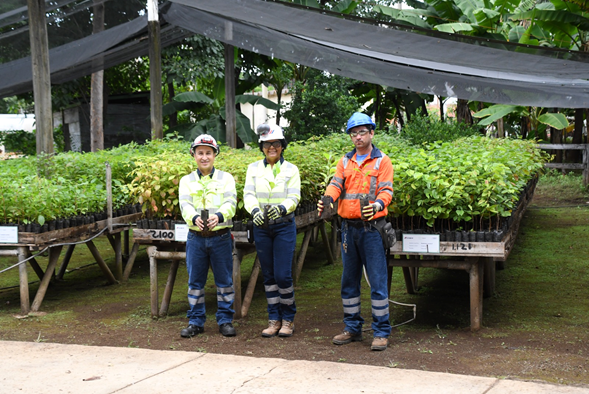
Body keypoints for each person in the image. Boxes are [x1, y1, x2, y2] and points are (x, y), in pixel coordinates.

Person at [317, 112, 394, 351]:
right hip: (349, 230)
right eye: (353, 133)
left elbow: (386, 191)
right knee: (349, 281)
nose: (357, 137)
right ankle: (352, 328)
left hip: (371, 230)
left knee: (378, 281)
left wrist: (379, 205)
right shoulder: (345, 161)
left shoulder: (383, 161)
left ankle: (381, 332)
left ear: (371, 132)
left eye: (362, 132)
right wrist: (328, 198)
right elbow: (336, 183)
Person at [244, 124, 301, 338]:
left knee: (282, 275)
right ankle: (274, 319)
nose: (272, 148)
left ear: (282, 146)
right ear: (262, 147)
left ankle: (288, 319)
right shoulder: (254, 169)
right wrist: (254, 210)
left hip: (284, 226)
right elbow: (248, 195)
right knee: (268, 275)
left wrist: (282, 208)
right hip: (262, 227)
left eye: (276, 144)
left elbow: (294, 197)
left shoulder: (291, 170)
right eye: (267, 144)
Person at [178, 134, 237, 338]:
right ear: (194, 155)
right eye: (200, 153)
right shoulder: (186, 181)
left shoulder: (226, 178)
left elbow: (231, 203)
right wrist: (194, 217)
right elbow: (184, 205)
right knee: (195, 282)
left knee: (224, 281)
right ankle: (195, 321)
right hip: (196, 239)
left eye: (208, 153)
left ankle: (225, 320)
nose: (204, 157)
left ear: (215, 155)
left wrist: (219, 216)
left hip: (220, 237)